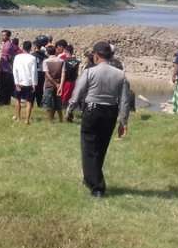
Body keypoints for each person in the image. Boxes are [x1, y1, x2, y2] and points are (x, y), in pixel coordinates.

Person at [66, 41, 131, 198]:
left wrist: (70, 109)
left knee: (89, 147)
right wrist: (123, 121)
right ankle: (89, 178)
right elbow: (124, 100)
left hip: (92, 110)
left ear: (96, 55)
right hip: (110, 112)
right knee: (101, 147)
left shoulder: (90, 72)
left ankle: (97, 187)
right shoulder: (120, 74)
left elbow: (78, 92)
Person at [12, 40, 37, 124]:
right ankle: (27, 120)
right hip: (29, 82)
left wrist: (16, 82)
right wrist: (34, 84)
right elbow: (34, 72)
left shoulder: (17, 57)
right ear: (30, 48)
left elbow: (14, 70)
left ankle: (18, 118)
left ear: (23, 48)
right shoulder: (33, 58)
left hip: (19, 82)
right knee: (29, 101)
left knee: (17, 100)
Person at [42, 41, 66, 122]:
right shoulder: (61, 61)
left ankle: (50, 120)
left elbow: (47, 75)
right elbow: (63, 74)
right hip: (59, 83)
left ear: (48, 52)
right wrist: (60, 85)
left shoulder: (46, 61)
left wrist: (55, 84)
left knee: (48, 103)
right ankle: (61, 119)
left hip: (49, 84)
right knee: (58, 102)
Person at [59, 44, 81, 120]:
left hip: (66, 82)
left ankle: (64, 115)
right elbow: (77, 72)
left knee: (63, 99)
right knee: (71, 99)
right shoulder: (77, 61)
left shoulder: (64, 61)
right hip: (74, 82)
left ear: (66, 51)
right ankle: (69, 113)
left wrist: (61, 85)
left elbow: (63, 74)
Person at [0, 30, 19, 105]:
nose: (2, 37)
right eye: (2, 35)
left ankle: (2, 102)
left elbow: (9, 58)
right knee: (6, 86)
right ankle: (6, 101)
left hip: (5, 69)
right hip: (7, 69)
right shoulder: (9, 44)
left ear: (8, 36)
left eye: (4, 35)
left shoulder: (7, 46)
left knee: (3, 86)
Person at [32, 39, 47, 108]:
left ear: (35, 46)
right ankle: (39, 104)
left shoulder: (32, 55)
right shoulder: (44, 56)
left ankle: (31, 103)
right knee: (40, 90)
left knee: (33, 89)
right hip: (42, 73)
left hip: (35, 73)